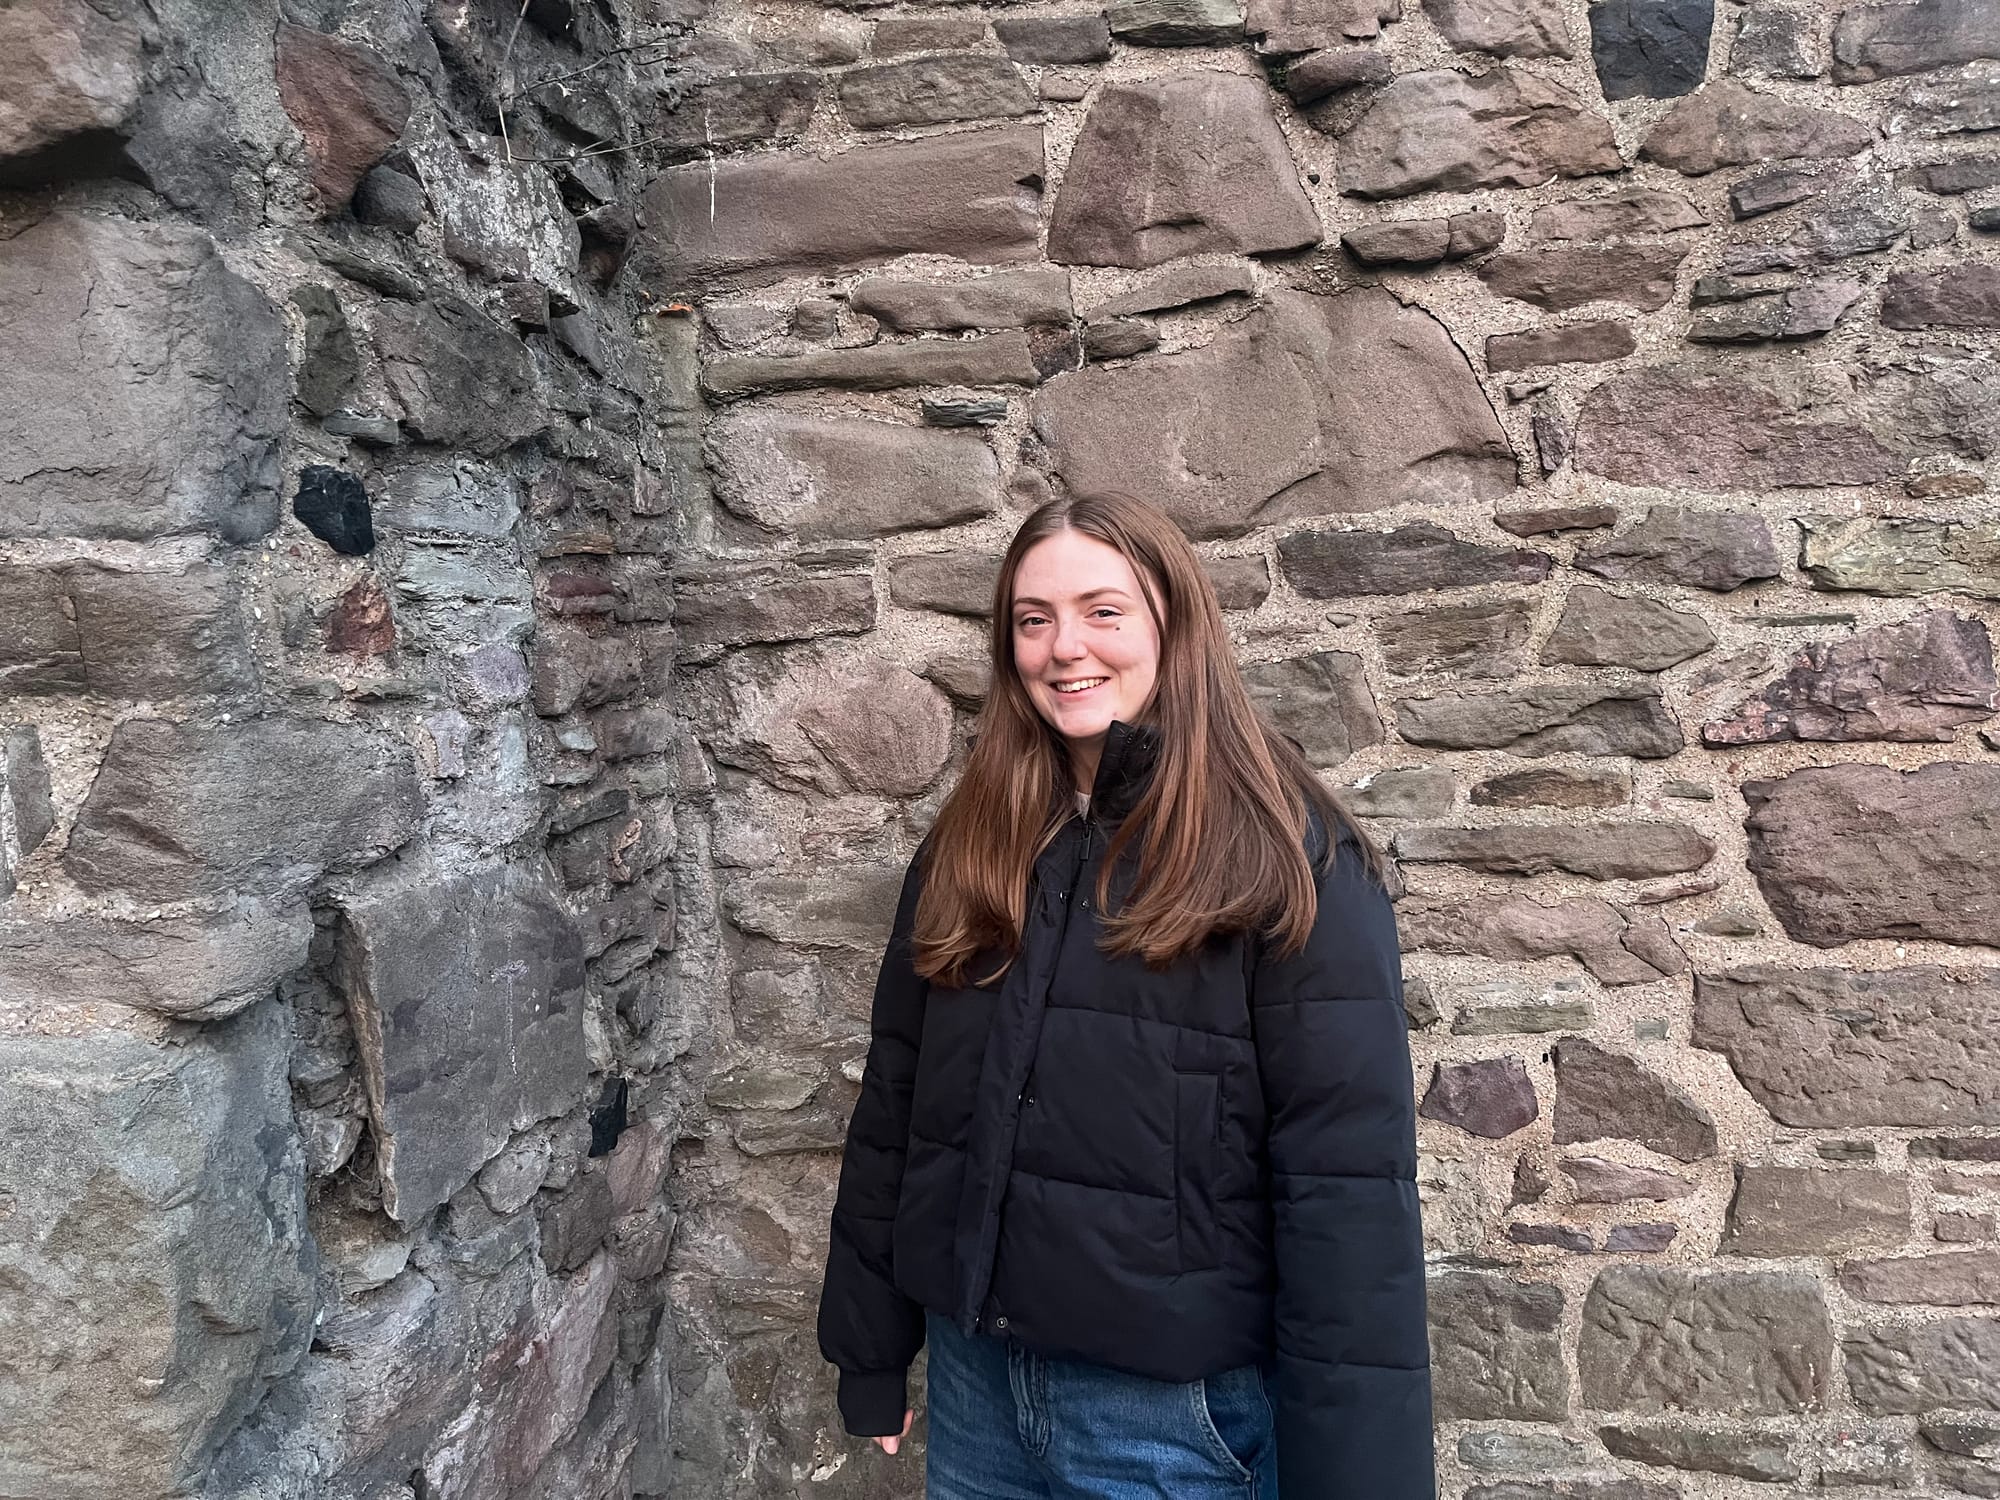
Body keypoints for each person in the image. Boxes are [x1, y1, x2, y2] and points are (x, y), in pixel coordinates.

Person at [816, 492, 1433, 1500]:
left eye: (1102, 611)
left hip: (1170, 1425)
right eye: (1033, 618)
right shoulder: (974, 842)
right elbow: (898, 1104)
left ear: (1171, 627)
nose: (1065, 648)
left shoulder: (1286, 861)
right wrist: (870, 1351)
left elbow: (1345, 1196)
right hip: (977, 1393)